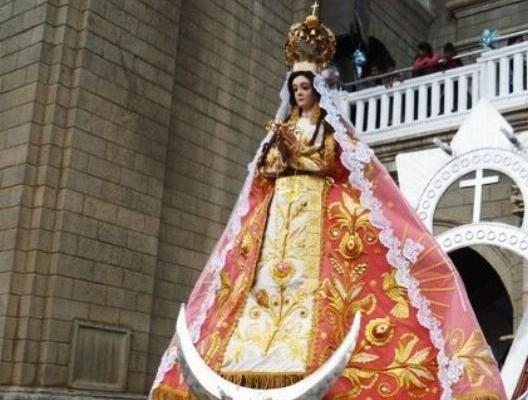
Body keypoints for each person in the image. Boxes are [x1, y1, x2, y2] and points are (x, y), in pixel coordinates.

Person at [150, 7, 506, 400]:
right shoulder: (282, 128)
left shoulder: (328, 128)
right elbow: (265, 169)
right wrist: (280, 154)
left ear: (316, 89)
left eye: (305, 87)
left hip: (315, 208)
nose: (300, 93)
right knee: (256, 283)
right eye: (296, 88)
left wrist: (297, 155)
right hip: (279, 214)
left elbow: (331, 160)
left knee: (329, 277)